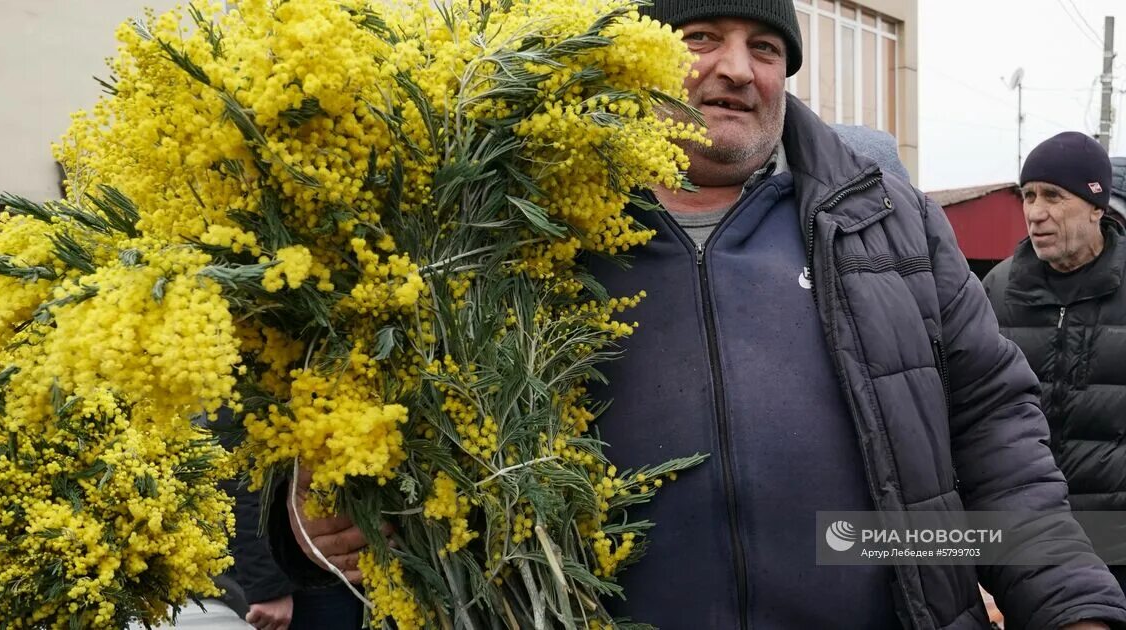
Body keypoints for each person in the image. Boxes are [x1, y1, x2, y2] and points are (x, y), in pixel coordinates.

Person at [272, 1, 1126, 628]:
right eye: (700, 38)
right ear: (636, 61)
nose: (737, 68)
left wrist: (1069, 604)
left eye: (764, 47)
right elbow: (372, 431)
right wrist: (311, 518)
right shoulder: (513, 233)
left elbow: (994, 433)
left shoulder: (886, 223)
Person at [983, 132, 1126, 596]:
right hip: (1026, 539)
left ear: (1096, 206)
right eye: (1028, 195)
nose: (1035, 212)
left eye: (1054, 196)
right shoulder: (997, 290)